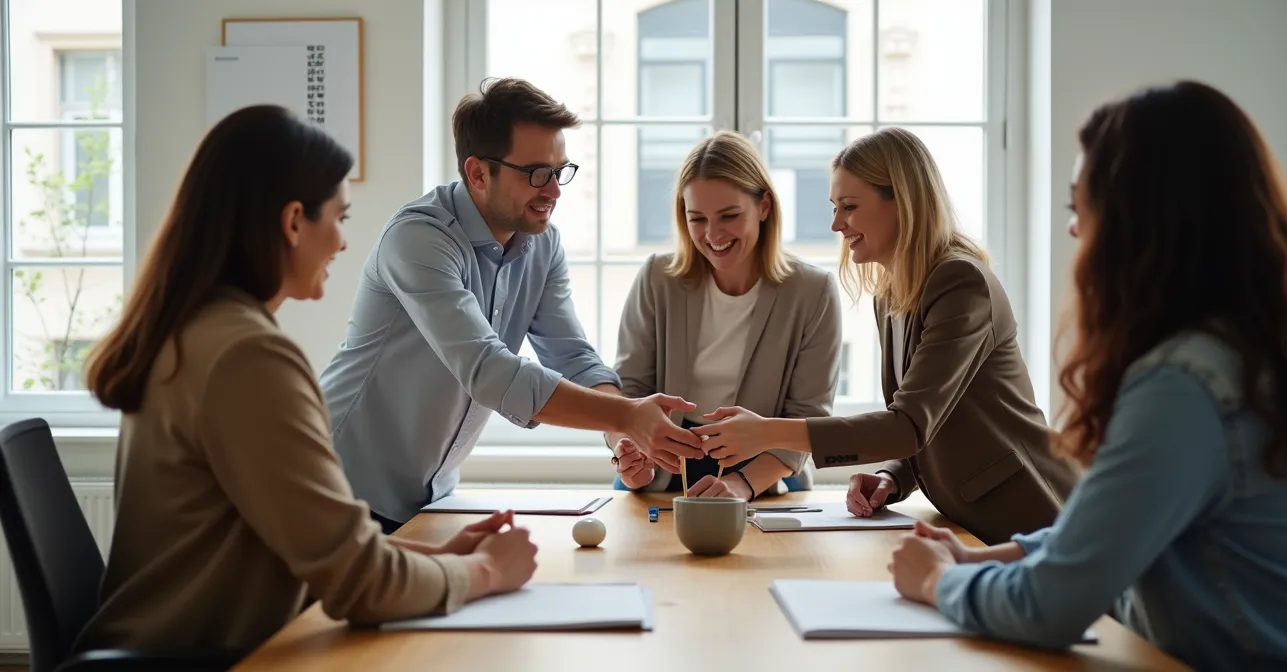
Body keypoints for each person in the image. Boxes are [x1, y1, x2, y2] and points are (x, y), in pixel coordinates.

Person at [75, 105, 538, 655]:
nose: (344, 242)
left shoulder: (200, 332)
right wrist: (485, 571)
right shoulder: (247, 358)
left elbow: (320, 552)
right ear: (294, 221)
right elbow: (359, 585)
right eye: (339, 218)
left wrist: (445, 558)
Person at [888, 81, 1287, 671]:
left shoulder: (1182, 387)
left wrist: (937, 583)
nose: (1073, 231)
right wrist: (977, 559)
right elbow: (1104, 533)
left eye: (1078, 208)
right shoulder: (1255, 351)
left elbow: (1051, 606)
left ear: (1139, 225)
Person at [318, 78, 701, 533]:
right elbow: (487, 369)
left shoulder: (542, 245)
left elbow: (571, 355)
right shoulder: (419, 239)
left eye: (561, 171)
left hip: (428, 498)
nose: (555, 191)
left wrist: (622, 438)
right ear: (478, 173)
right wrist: (628, 416)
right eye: (537, 173)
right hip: (336, 488)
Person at [697, 127, 1078, 544]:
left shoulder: (961, 283)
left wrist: (767, 431)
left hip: (1034, 518)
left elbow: (906, 425)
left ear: (902, 202)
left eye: (849, 207)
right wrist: (892, 476)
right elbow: (928, 427)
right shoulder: (892, 292)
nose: (836, 224)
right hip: (971, 525)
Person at [609, 131, 841, 499]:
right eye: (696, 218)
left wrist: (739, 484)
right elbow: (627, 394)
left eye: (729, 216)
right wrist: (628, 455)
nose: (712, 234)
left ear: (764, 206)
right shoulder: (658, 277)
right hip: (660, 469)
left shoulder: (813, 292)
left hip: (764, 472)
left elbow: (807, 418)